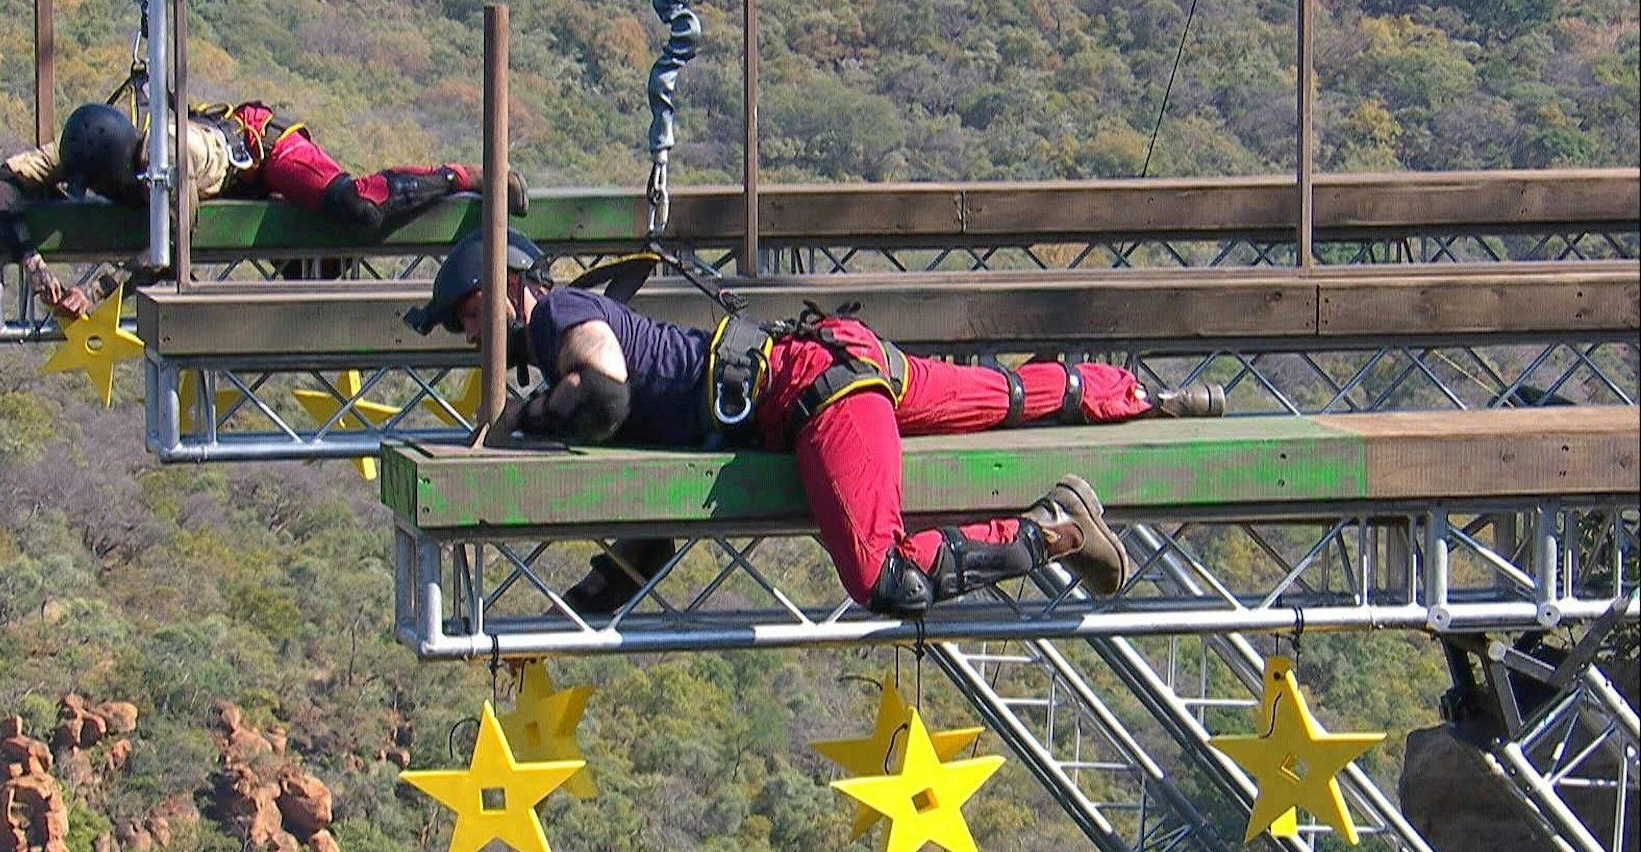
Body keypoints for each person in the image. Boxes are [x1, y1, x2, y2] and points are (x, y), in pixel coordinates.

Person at [405, 230, 1227, 617]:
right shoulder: (581, 325)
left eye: (473, 315)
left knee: (887, 581)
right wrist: (589, 602)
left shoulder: (559, 317)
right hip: (836, 356)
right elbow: (658, 508)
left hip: (815, 396)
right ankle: (1148, 396)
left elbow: (607, 395)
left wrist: (528, 416)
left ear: (509, 287)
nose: (474, 335)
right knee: (1002, 394)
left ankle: (1052, 529)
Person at [0, 101, 529, 317]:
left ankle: (466, 175)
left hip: (260, 151)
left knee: (356, 208)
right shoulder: (74, 151)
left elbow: (168, 253)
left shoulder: (171, 159)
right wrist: (35, 266)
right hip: (226, 175)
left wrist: (92, 292)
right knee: (312, 292)